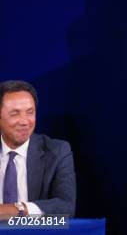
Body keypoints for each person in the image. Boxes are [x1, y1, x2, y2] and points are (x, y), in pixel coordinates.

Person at [0, 80, 76, 218]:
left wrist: (17, 210)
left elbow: (66, 207)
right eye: (15, 114)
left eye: (30, 112)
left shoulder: (57, 151)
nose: (24, 121)